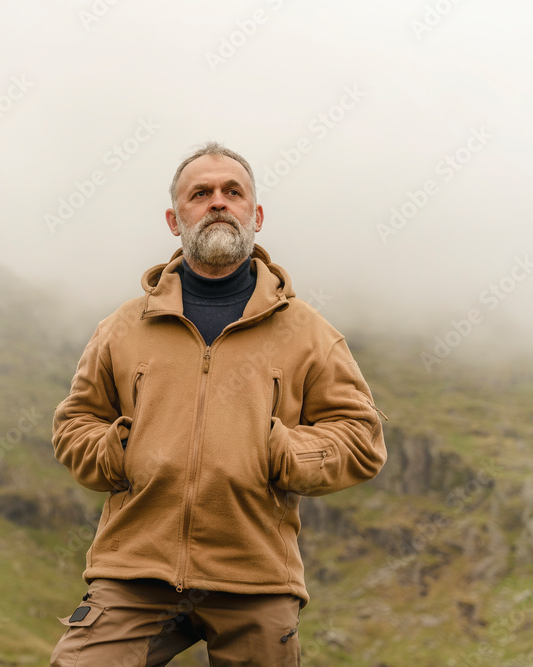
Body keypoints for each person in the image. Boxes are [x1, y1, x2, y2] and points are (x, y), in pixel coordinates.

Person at [50, 142, 387, 666]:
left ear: (256, 214)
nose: (217, 202)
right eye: (200, 193)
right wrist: (123, 450)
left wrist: (281, 452)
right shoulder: (121, 327)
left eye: (233, 192)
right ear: (173, 218)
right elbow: (76, 422)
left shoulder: (310, 334)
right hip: (134, 569)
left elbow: (360, 438)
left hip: (256, 575)